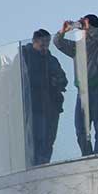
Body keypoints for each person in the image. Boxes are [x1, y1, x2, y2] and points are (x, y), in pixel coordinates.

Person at [53, 14, 98, 156]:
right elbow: (57, 42)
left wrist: (90, 29)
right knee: (80, 128)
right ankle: (87, 155)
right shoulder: (77, 47)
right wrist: (63, 31)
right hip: (82, 92)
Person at [19, 30, 68, 166]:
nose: (45, 47)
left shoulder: (51, 60)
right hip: (33, 106)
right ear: (35, 42)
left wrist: (56, 82)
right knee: (35, 139)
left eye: (47, 43)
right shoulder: (24, 57)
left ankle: (43, 165)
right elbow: (20, 79)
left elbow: (63, 79)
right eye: (43, 43)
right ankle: (34, 166)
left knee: (48, 140)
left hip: (51, 106)